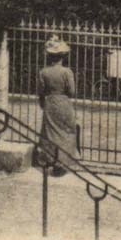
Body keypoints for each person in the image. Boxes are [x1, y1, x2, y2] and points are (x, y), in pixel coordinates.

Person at [37, 36, 77, 177]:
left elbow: (40, 91)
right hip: (64, 103)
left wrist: (43, 101)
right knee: (66, 132)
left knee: (51, 132)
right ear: (62, 56)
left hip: (50, 103)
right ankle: (62, 163)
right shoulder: (67, 72)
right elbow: (72, 91)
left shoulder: (43, 72)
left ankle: (50, 160)